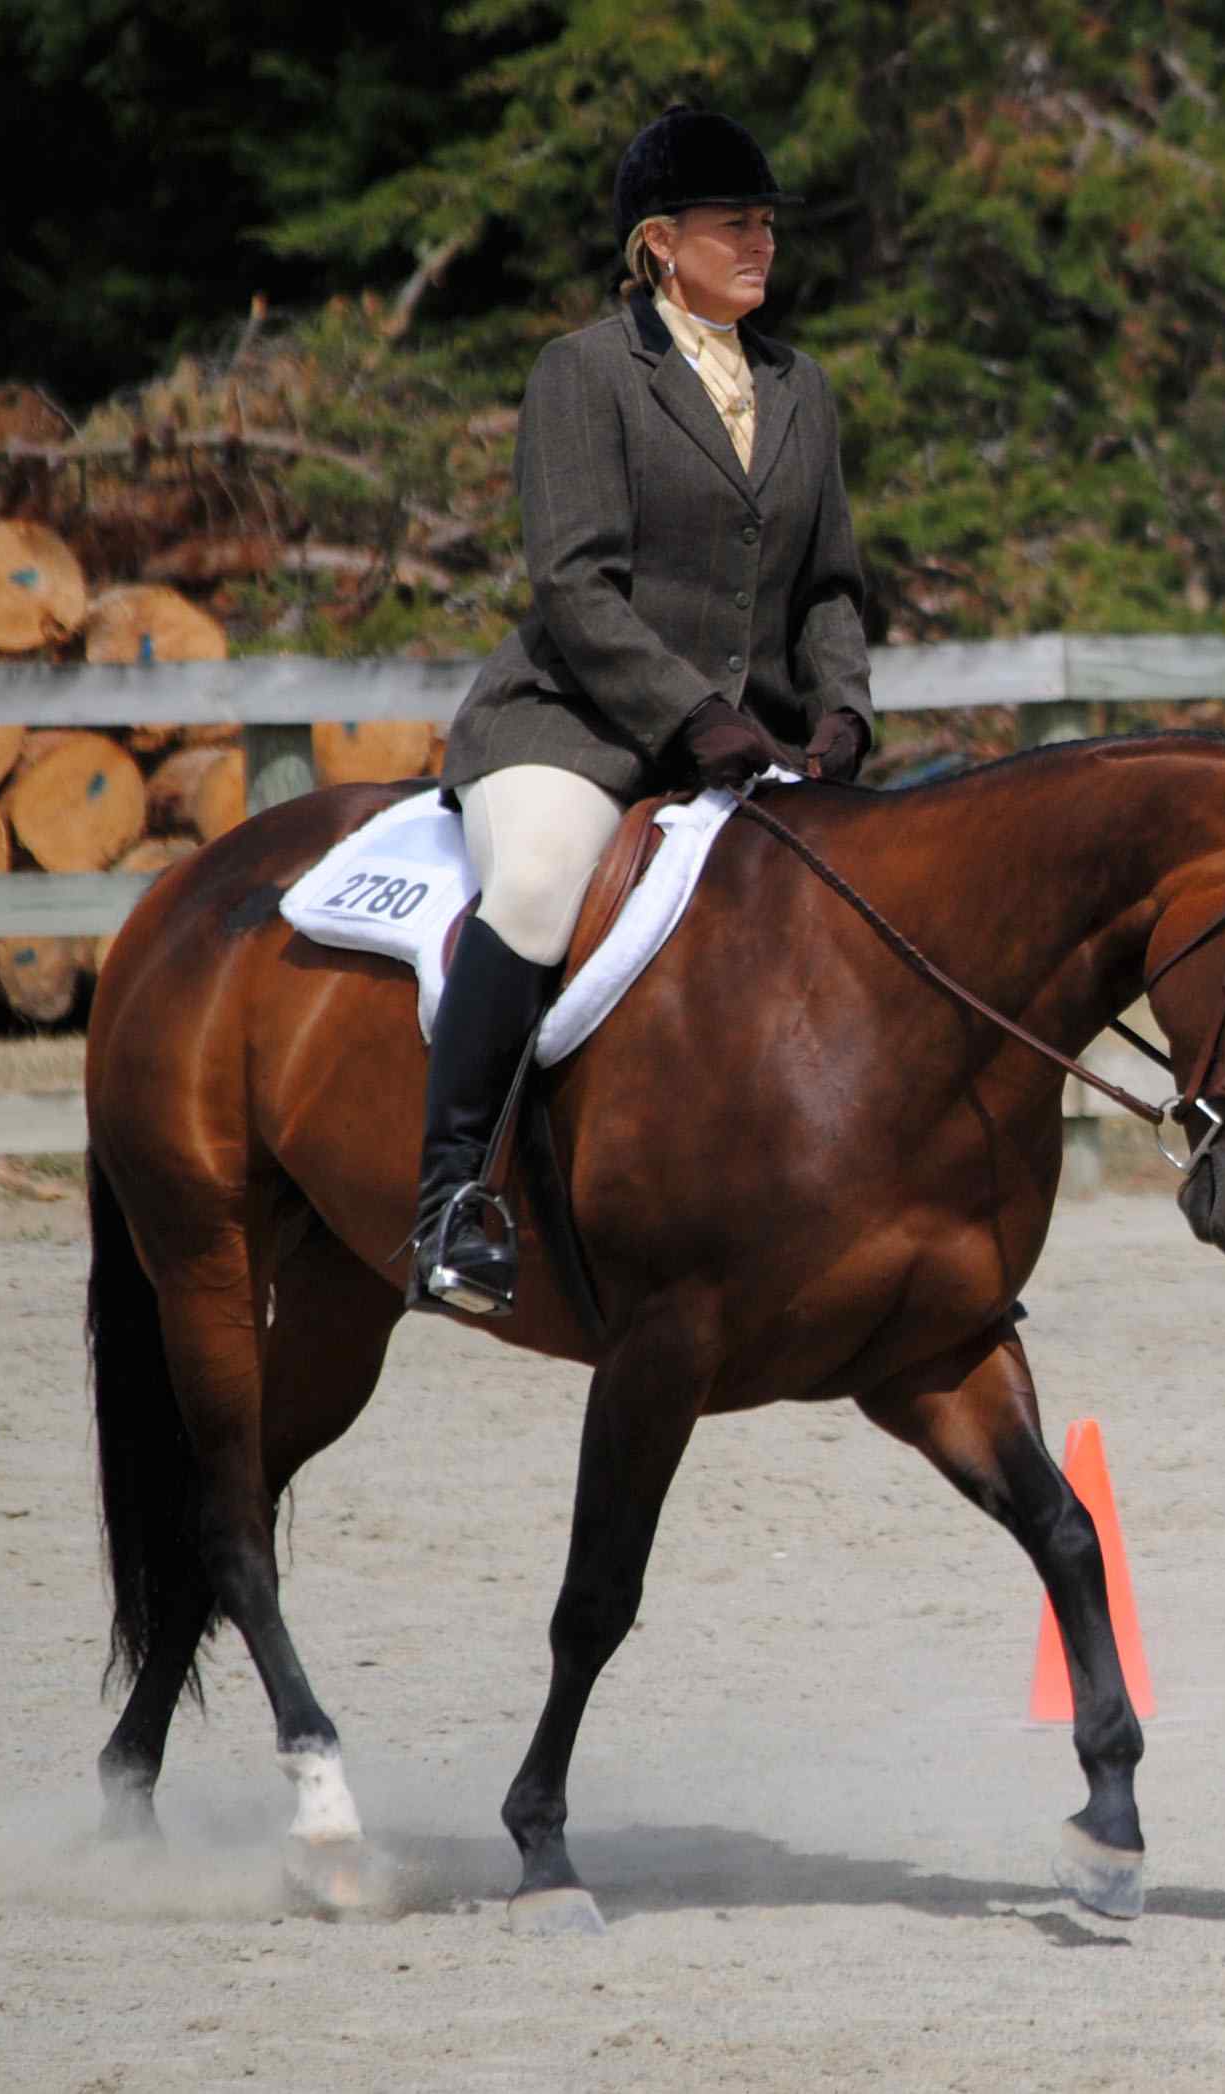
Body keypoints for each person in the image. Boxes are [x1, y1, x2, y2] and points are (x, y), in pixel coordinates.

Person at [408, 104, 877, 1318]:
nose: (761, 244)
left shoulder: (799, 386)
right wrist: (691, 715)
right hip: (576, 724)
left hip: (748, 740)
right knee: (534, 886)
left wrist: (842, 714)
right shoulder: (585, 372)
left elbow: (829, 585)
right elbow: (573, 584)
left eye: (766, 224)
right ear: (660, 243)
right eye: (735, 225)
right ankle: (453, 1199)